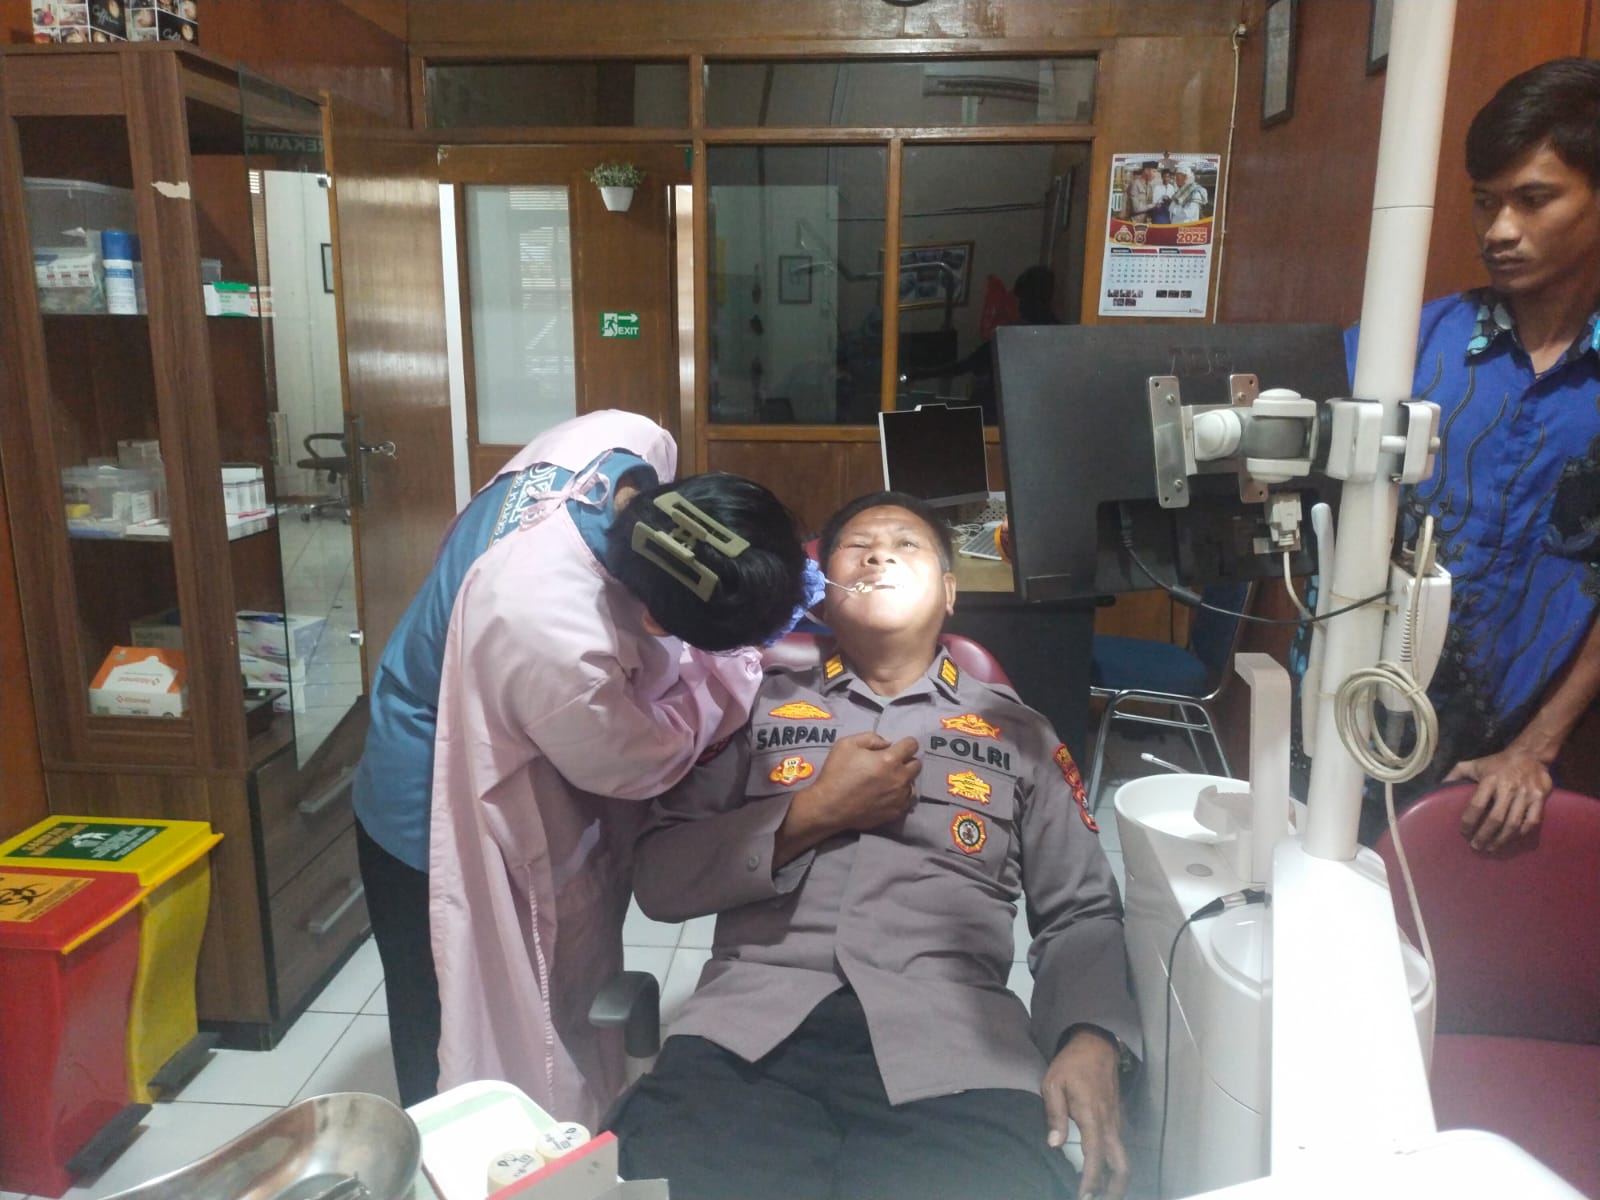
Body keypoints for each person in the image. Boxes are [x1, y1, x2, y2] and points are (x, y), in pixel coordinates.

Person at [607, 492, 1140, 1200]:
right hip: (745, 1042)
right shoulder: (749, 706)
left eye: (907, 544)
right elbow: (660, 878)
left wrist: (1090, 1034)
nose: (881, 554)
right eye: (857, 547)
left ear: (949, 593)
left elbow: (1081, 912)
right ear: (823, 595)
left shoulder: (1021, 734)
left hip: (959, 1055)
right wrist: (807, 816)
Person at [351, 408, 812, 1117]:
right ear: (654, 622)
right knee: (453, 1015)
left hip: (513, 690)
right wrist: (736, 671)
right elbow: (640, 761)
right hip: (430, 789)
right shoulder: (550, 625)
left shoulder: (619, 440)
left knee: (562, 985)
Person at [1292, 58, 1600, 850]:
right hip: (1347, 710)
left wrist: (1536, 747)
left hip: (1510, 760)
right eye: (1485, 201)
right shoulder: (1404, 345)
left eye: (1534, 199)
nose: (1499, 230)